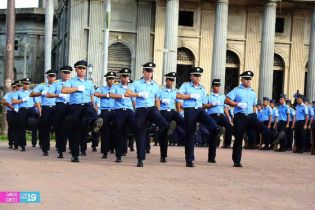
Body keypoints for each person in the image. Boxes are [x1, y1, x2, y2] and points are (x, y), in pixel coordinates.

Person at [176, 67, 224, 167]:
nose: (197, 78)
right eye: (195, 75)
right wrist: (190, 96)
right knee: (190, 135)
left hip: (200, 109)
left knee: (208, 119)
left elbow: (203, 103)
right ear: (191, 76)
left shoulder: (202, 88)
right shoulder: (186, 85)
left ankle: (216, 129)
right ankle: (189, 160)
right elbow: (178, 95)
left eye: (199, 76)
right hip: (189, 110)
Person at [125, 62, 169, 167]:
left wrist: (158, 112)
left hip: (152, 109)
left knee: (163, 123)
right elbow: (127, 93)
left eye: (151, 71)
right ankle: (140, 159)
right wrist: (138, 94)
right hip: (141, 110)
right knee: (140, 135)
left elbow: (157, 100)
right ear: (143, 72)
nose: (149, 73)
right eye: (147, 71)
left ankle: (163, 128)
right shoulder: (136, 83)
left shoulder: (156, 85)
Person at [225, 71, 271, 167]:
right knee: (239, 138)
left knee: (263, 128)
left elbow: (254, 105)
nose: (248, 81)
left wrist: (255, 115)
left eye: (249, 79)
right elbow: (226, 100)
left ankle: (275, 137)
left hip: (251, 115)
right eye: (246, 79)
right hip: (240, 116)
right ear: (241, 80)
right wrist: (237, 104)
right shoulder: (236, 90)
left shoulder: (252, 92)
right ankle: (237, 161)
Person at [62, 60, 103, 162]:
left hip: (87, 105)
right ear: (76, 69)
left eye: (83, 68)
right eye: (80, 68)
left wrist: (94, 106)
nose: (82, 70)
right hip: (75, 107)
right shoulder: (71, 81)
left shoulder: (89, 83)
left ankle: (95, 124)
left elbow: (92, 95)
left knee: (93, 115)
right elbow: (64, 90)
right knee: (75, 132)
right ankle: (75, 155)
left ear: (86, 70)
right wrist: (76, 88)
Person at [109, 68, 136, 162]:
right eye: (123, 76)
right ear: (120, 77)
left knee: (137, 127)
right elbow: (111, 95)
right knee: (120, 133)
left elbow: (133, 101)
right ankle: (119, 155)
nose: (125, 78)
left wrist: (135, 110)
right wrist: (122, 96)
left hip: (129, 111)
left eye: (127, 76)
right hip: (119, 111)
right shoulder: (116, 87)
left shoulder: (131, 87)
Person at [158, 72, 185, 162]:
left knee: (183, 123)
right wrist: (161, 101)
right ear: (166, 80)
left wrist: (179, 113)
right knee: (164, 134)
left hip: (173, 111)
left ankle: (179, 128)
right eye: (169, 80)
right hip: (163, 112)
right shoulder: (160, 90)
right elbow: (156, 102)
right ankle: (163, 156)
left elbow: (178, 104)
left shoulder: (175, 91)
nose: (171, 82)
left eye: (172, 80)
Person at [47, 66, 72, 158]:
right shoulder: (56, 84)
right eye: (64, 72)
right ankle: (60, 150)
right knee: (60, 128)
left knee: (73, 127)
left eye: (68, 73)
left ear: (70, 74)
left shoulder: (73, 83)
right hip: (60, 106)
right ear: (61, 74)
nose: (66, 74)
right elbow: (48, 94)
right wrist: (59, 95)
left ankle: (74, 148)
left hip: (71, 106)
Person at [30, 69, 57, 156]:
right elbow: (32, 94)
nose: (52, 78)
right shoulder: (42, 86)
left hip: (57, 108)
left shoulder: (59, 85)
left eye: (54, 76)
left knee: (60, 127)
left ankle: (60, 147)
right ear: (47, 77)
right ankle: (45, 149)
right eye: (51, 76)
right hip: (46, 108)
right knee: (45, 129)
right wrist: (41, 93)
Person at [203, 79, 233, 150]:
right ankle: (211, 146)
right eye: (216, 86)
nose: (218, 87)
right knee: (214, 130)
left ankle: (227, 144)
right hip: (212, 115)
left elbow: (225, 108)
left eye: (219, 86)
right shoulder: (208, 96)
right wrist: (213, 104)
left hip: (222, 115)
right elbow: (203, 106)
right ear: (212, 86)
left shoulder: (223, 96)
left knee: (229, 127)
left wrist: (229, 117)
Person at [11, 78, 38, 151]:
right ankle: (23, 145)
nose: (26, 85)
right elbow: (13, 101)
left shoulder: (32, 92)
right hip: (22, 109)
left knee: (35, 124)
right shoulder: (18, 92)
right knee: (21, 127)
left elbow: (37, 102)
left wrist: (37, 109)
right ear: (23, 84)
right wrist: (22, 100)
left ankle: (34, 142)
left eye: (28, 84)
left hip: (31, 109)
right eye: (25, 84)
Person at [95, 71, 116, 159]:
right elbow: (96, 93)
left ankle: (113, 148)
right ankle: (105, 152)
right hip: (105, 111)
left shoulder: (116, 88)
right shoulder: (102, 88)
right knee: (105, 132)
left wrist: (113, 95)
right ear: (106, 80)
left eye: (112, 79)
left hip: (114, 111)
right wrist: (105, 95)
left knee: (115, 131)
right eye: (109, 79)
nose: (111, 81)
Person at [1, 81, 19, 149]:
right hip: (11, 112)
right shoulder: (9, 94)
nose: (14, 88)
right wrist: (10, 106)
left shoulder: (20, 93)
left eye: (16, 87)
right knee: (11, 128)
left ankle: (17, 143)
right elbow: (2, 101)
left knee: (18, 128)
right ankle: (11, 143)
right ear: (12, 87)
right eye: (13, 87)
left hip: (20, 112)